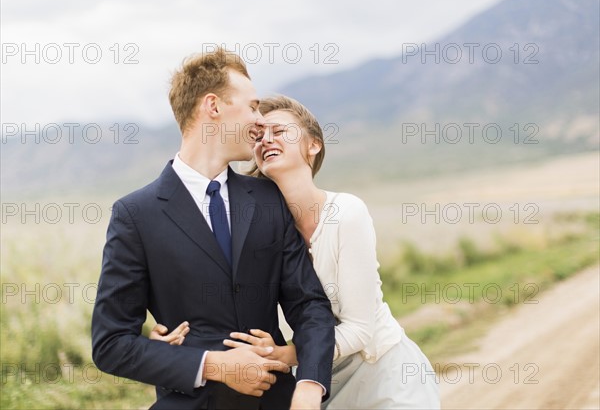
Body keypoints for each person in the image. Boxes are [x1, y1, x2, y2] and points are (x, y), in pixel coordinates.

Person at [153, 95, 440, 409]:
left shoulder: (346, 212)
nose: (266, 140)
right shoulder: (253, 231)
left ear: (313, 145)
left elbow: (359, 329)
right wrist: (175, 339)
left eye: (279, 131)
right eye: (259, 135)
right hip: (314, 385)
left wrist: (287, 354)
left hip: (382, 374)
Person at [91, 50, 336, 410]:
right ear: (213, 106)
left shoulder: (268, 198)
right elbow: (111, 343)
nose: (259, 120)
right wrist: (213, 365)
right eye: (252, 107)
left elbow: (310, 305)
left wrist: (310, 386)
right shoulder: (135, 215)